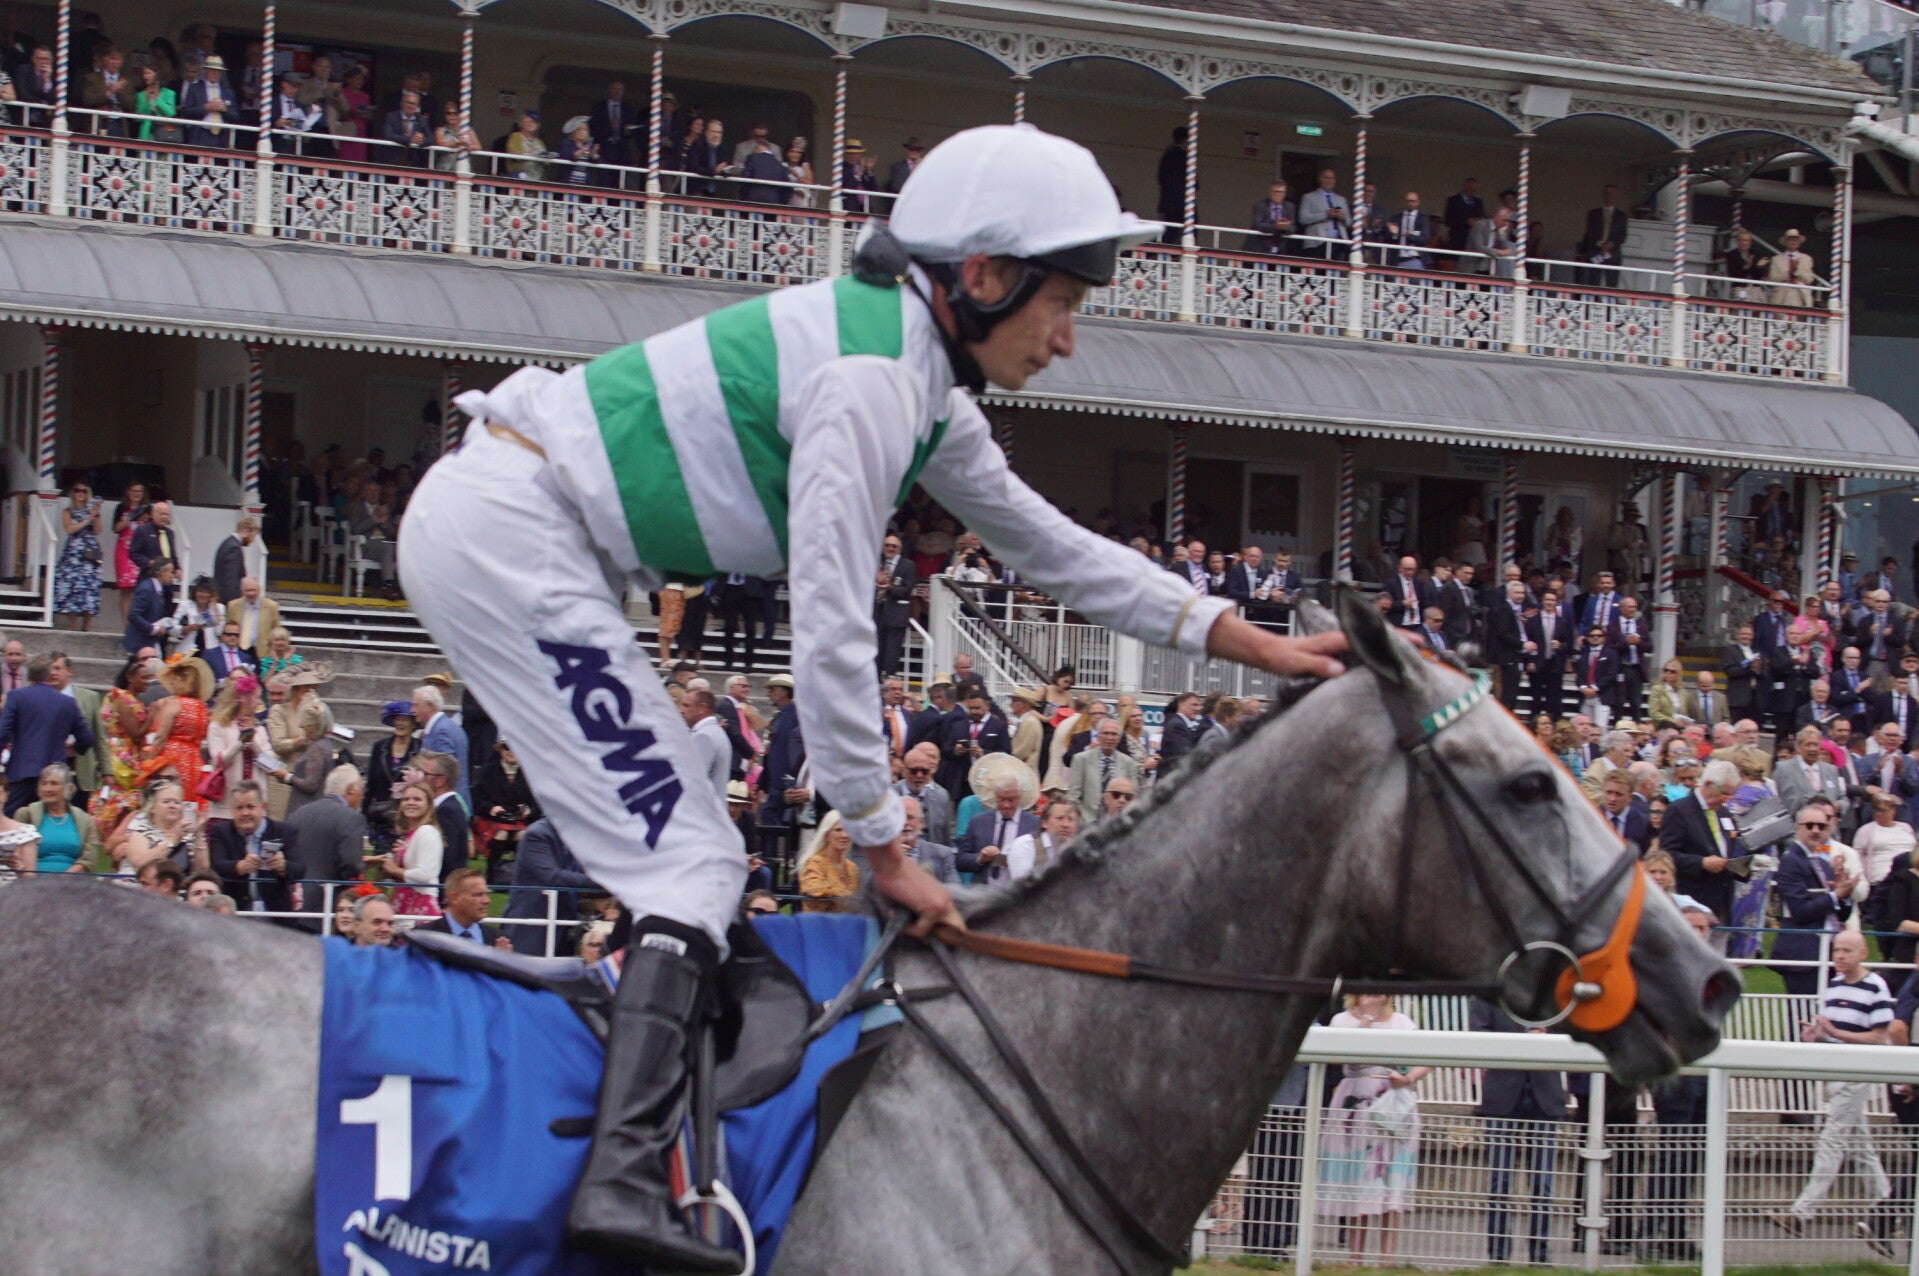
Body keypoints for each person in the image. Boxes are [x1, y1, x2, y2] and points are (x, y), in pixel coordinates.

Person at [396, 122, 1346, 1269]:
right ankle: (618, 1182)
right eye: (1062, 301)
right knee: (691, 867)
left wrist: (1248, 642)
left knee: (697, 870)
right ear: (982, 277)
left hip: (528, 534)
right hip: (512, 539)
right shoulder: (869, 383)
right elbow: (834, 630)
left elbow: (1052, 546)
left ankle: (643, 1149)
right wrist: (882, 839)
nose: (1068, 339)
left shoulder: (913, 377)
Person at [1770, 930, 1892, 1236]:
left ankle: (1801, 1213)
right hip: (1836, 1074)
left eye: (1847, 951)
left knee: (1831, 1141)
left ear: (1863, 953)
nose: (1839, 956)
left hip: (1856, 1073)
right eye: (1837, 950)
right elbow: (1828, 1031)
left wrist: (1836, 1034)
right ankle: (1889, 1210)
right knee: (1860, 1147)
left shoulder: (1875, 986)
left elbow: (1880, 1037)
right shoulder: (1834, 985)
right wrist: (1816, 1034)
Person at [1316, 994, 1429, 1263]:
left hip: (1393, 1106)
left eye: (1379, 993)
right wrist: (1366, 1021)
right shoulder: (1341, 1021)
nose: (1374, 998)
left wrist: (1407, 1078)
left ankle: (1386, 1257)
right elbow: (1345, 1057)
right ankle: (1354, 1255)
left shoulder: (1402, 1022)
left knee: (1392, 1181)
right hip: (1357, 1104)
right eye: (1368, 992)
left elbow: (1427, 1057)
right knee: (1360, 1179)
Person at [1471, 999, 1566, 1265]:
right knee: (1500, 1181)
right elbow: (1478, 1035)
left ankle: (1540, 1256)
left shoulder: (1553, 993)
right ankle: (1498, 1256)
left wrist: (1548, 1034)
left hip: (1544, 1093)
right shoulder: (1488, 996)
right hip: (1503, 1093)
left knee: (1542, 1183)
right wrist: (1521, 1040)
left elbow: (1573, 1028)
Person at [1772, 805, 1860, 995]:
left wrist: (1845, 894)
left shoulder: (1823, 864)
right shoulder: (1790, 861)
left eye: (1821, 826)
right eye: (1810, 825)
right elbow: (1801, 911)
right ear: (1797, 828)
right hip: (1803, 955)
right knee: (1804, 1011)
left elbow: (1842, 915)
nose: (1815, 830)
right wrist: (1836, 895)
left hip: (1829, 953)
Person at [0, 655, 93, 816]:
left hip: (21, 771)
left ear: (28, 675)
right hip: (55, 774)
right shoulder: (67, 702)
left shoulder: (16, 696)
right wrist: (75, 749)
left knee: (11, 820)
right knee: (50, 820)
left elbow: (2, 733)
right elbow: (87, 738)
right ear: (49, 675)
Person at [207, 780, 303, 921]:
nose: (245, 813)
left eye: (250, 807)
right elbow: (216, 865)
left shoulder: (284, 831)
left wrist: (283, 866)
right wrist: (239, 867)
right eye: (239, 808)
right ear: (232, 810)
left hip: (276, 915)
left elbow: (300, 869)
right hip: (235, 913)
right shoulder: (220, 831)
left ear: (263, 807)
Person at [286, 765, 370, 927]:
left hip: (293, 902)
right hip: (327, 904)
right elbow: (352, 864)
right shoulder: (352, 818)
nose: (362, 796)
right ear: (351, 790)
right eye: (361, 790)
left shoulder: (298, 813)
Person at [505, 818, 602, 956]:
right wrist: (604, 882)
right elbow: (552, 877)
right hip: (533, 925)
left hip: (565, 925)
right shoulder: (537, 834)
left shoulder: (579, 835)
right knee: (526, 968)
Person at [201, 672, 288, 820]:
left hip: (255, 808)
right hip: (226, 808)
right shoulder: (218, 726)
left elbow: (272, 764)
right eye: (256, 698)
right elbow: (218, 761)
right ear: (242, 699)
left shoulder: (259, 729)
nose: (259, 703)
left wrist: (254, 746)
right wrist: (240, 744)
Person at [374, 780, 444, 917]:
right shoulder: (411, 835)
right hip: (404, 903)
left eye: (417, 799)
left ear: (428, 805)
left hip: (419, 906)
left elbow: (424, 875)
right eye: (406, 799)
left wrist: (395, 869)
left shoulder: (427, 831)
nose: (410, 803)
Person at [20, 764, 100, 874]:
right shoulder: (26, 814)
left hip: (72, 881)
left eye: (54, 784)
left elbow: (89, 858)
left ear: (69, 788)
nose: (48, 789)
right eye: (44, 784)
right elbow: (17, 854)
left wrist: (64, 877)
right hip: (32, 881)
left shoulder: (84, 819)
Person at [118, 779, 204, 876]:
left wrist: (199, 833)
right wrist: (173, 840)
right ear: (153, 808)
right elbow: (141, 864)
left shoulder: (189, 834)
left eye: (177, 802)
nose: (172, 806)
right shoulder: (141, 831)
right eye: (166, 802)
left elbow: (203, 869)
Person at [53, 482, 104, 631]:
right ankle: (73, 626)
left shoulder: (92, 511)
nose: (80, 493)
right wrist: (88, 519)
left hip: (90, 551)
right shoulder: (67, 511)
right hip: (73, 553)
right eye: (77, 490)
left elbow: (97, 530)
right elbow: (70, 529)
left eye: (84, 491)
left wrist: (96, 515)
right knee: (70, 586)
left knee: (90, 587)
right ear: (73, 493)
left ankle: (87, 627)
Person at [416, 867, 500, 944]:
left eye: (486, 894)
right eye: (478, 895)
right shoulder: (423, 938)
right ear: (454, 898)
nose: (487, 901)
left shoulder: (498, 940)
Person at [797, 810, 859, 913]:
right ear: (826, 835)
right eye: (838, 830)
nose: (844, 835)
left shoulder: (853, 868)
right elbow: (814, 894)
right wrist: (842, 894)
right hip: (819, 921)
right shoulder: (814, 863)